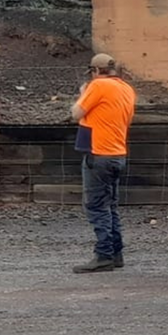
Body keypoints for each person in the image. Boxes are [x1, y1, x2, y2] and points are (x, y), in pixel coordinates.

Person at [69, 53, 138, 272]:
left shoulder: (97, 86)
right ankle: (116, 254)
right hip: (118, 154)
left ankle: (104, 255)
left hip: (98, 154)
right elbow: (126, 120)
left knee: (96, 206)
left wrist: (82, 94)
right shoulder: (127, 89)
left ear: (96, 71)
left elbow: (75, 113)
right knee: (111, 206)